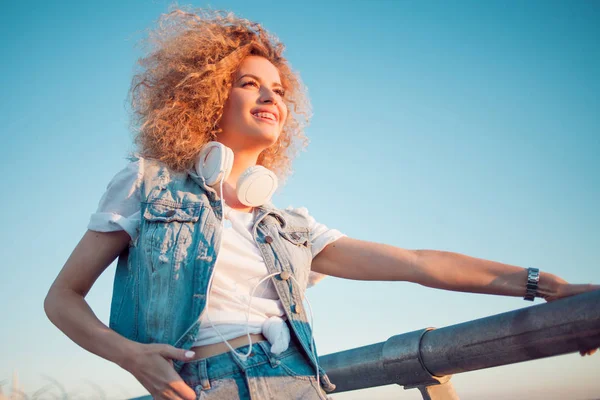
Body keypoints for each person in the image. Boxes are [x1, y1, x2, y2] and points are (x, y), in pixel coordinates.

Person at [43, 8, 599, 400]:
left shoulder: (291, 228)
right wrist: (130, 356)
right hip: (202, 387)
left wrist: (548, 286)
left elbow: (418, 264)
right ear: (207, 97)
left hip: (298, 384)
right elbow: (62, 298)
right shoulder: (149, 184)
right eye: (248, 84)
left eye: (279, 90)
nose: (270, 97)